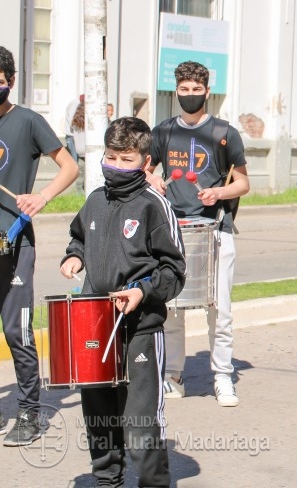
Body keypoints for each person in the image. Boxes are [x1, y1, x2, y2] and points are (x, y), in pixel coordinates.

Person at [60, 117, 185, 487]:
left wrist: (141, 291)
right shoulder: (96, 200)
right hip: (94, 327)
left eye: (126, 159)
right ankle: (107, 482)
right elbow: (78, 238)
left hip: (139, 332)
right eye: (111, 157)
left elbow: (174, 271)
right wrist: (74, 257)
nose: (116, 166)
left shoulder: (154, 206)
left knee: (140, 426)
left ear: (146, 162)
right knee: (99, 419)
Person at [147, 60, 250, 407]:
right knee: (172, 306)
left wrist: (218, 193)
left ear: (207, 91)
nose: (190, 95)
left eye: (196, 89)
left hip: (216, 228)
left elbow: (243, 183)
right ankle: (172, 376)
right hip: (173, 229)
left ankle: (222, 376)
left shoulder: (224, 132)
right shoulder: (162, 132)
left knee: (219, 308)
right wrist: (153, 179)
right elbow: (144, 170)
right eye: (184, 90)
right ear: (176, 91)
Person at [0, 46, 79, 445]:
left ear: (9, 81)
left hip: (13, 242)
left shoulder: (28, 121)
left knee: (18, 332)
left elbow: (70, 166)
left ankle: (30, 413)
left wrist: (41, 197)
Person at [65, 94, 84, 161]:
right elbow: (72, 121)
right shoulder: (75, 104)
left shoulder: (76, 103)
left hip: (75, 135)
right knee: (74, 161)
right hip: (71, 136)